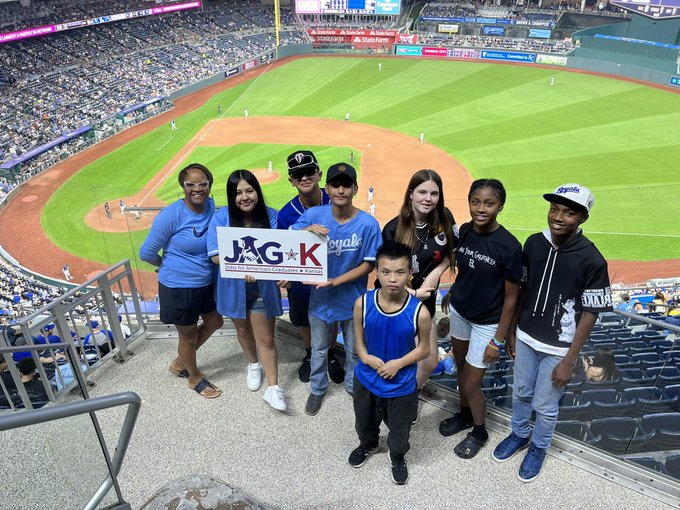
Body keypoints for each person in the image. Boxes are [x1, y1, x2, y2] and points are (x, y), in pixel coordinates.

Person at [492, 183, 612, 482]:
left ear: (583, 218)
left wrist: (571, 359)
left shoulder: (593, 259)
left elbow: (590, 312)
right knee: (520, 392)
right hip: (525, 336)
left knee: (545, 406)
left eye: (568, 212)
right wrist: (511, 334)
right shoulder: (534, 243)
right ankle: (519, 434)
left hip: (559, 348)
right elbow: (520, 291)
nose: (558, 216)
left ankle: (538, 447)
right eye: (554, 209)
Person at [438, 179, 522, 459]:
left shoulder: (509, 246)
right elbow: (466, 271)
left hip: (487, 322)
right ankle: (464, 415)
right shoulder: (465, 230)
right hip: (461, 311)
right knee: (461, 370)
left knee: (472, 382)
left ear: (501, 206)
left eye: (489, 203)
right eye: (476, 202)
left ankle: (479, 430)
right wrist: (454, 291)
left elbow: (511, 299)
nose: (481, 209)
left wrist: (499, 339)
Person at [292, 162, 381, 416]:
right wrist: (306, 230)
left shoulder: (368, 224)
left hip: (353, 300)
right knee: (318, 350)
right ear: (327, 188)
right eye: (335, 185)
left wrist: (335, 281)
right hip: (320, 301)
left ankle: (354, 387)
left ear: (355, 188)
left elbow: (368, 265)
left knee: (354, 350)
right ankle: (318, 389)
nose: (340, 190)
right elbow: (287, 239)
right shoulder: (313, 216)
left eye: (346, 185)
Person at [139, 163, 224, 399]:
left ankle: (180, 361)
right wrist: (165, 266)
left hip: (205, 283)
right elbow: (146, 253)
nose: (197, 189)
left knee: (215, 321)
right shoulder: (171, 215)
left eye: (202, 184)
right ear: (183, 187)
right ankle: (194, 376)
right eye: (190, 185)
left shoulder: (210, 205)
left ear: (209, 185)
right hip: (178, 286)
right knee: (186, 336)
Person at [349, 241, 431, 485]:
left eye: (400, 272)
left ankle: (397, 455)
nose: (392, 279)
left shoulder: (420, 312)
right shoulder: (363, 303)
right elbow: (358, 338)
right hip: (366, 378)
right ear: (377, 272)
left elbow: (424, 349)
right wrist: (364, 356)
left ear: (410, 274)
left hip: (402, 385)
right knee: (363, 421)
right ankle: (369, 444)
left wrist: (398, 363)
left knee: (400, 430)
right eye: (385, 272)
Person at [208, 170, 288, 412]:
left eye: (249, 190)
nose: (244, 197)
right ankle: (253, 364)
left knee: (265, 338)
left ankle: (273, 388)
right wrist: (242, 267)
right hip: (233, 287)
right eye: (238, 192)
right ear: (232, 196)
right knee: (242, 330)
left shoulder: (271, 216)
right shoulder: (221, 217)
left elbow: (281, 253)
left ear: (257, 192)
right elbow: (214, 255)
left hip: (262, 287)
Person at [381, 170, 457, 399]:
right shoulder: (393, 229)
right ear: (411, 193)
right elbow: (385, 275)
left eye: (434, 193)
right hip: (397, 307)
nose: (428, 198)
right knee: (399, 358)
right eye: (422, 192)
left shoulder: (445, 218)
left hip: (426, 306)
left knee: (429, 361)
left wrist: (436, 272)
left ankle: (410, 395)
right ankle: (396, 401)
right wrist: (412, 292)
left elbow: (453, 251)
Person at [277, 150, 343, 384]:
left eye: (308, 172)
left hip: (334, 273)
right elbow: (282, 250)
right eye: (297, 175)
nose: (303, 178)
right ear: (291, 180)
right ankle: (309, 355)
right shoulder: (286, 214)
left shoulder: (336, 200)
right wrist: (285, 274)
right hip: (302, 278)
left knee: (332, 316)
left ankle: (332, 355)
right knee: (304, 319)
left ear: (318, 174)